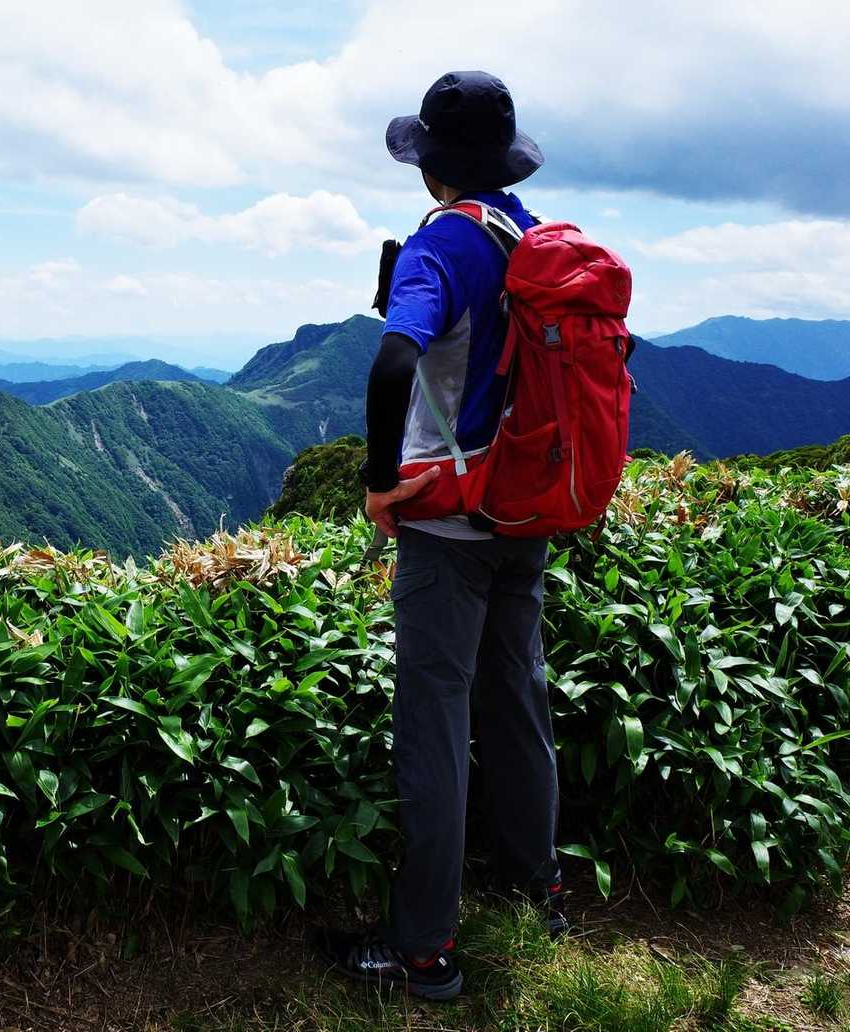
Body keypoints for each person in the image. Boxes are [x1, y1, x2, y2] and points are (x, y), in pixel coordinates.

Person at [326, 71, 564, 1002]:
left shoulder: (442, 242)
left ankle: (423, 950)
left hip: (448, 524)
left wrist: (380, 480)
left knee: (433, 726)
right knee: (518, 700)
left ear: (431, 165)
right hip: (526, 510)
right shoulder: (533, 238)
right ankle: (539, 888)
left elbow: (395, 364)